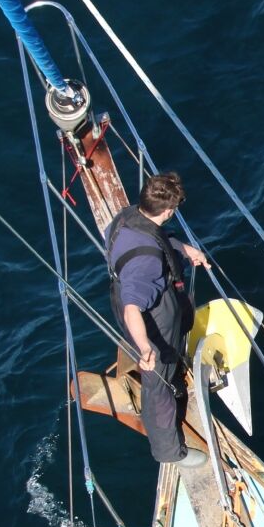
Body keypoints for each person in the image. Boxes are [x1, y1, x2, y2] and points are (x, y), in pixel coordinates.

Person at [104, 171, 210, 467]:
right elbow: (132, 308)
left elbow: (157, 239)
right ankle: (169, 452)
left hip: (134, 298)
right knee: (157, 388)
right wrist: (146, 348)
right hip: (150, 325)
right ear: (168, 211)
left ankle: (172, 371)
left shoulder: (126, 217)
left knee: (167, 368)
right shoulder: (147, 263)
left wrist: (184, 250)